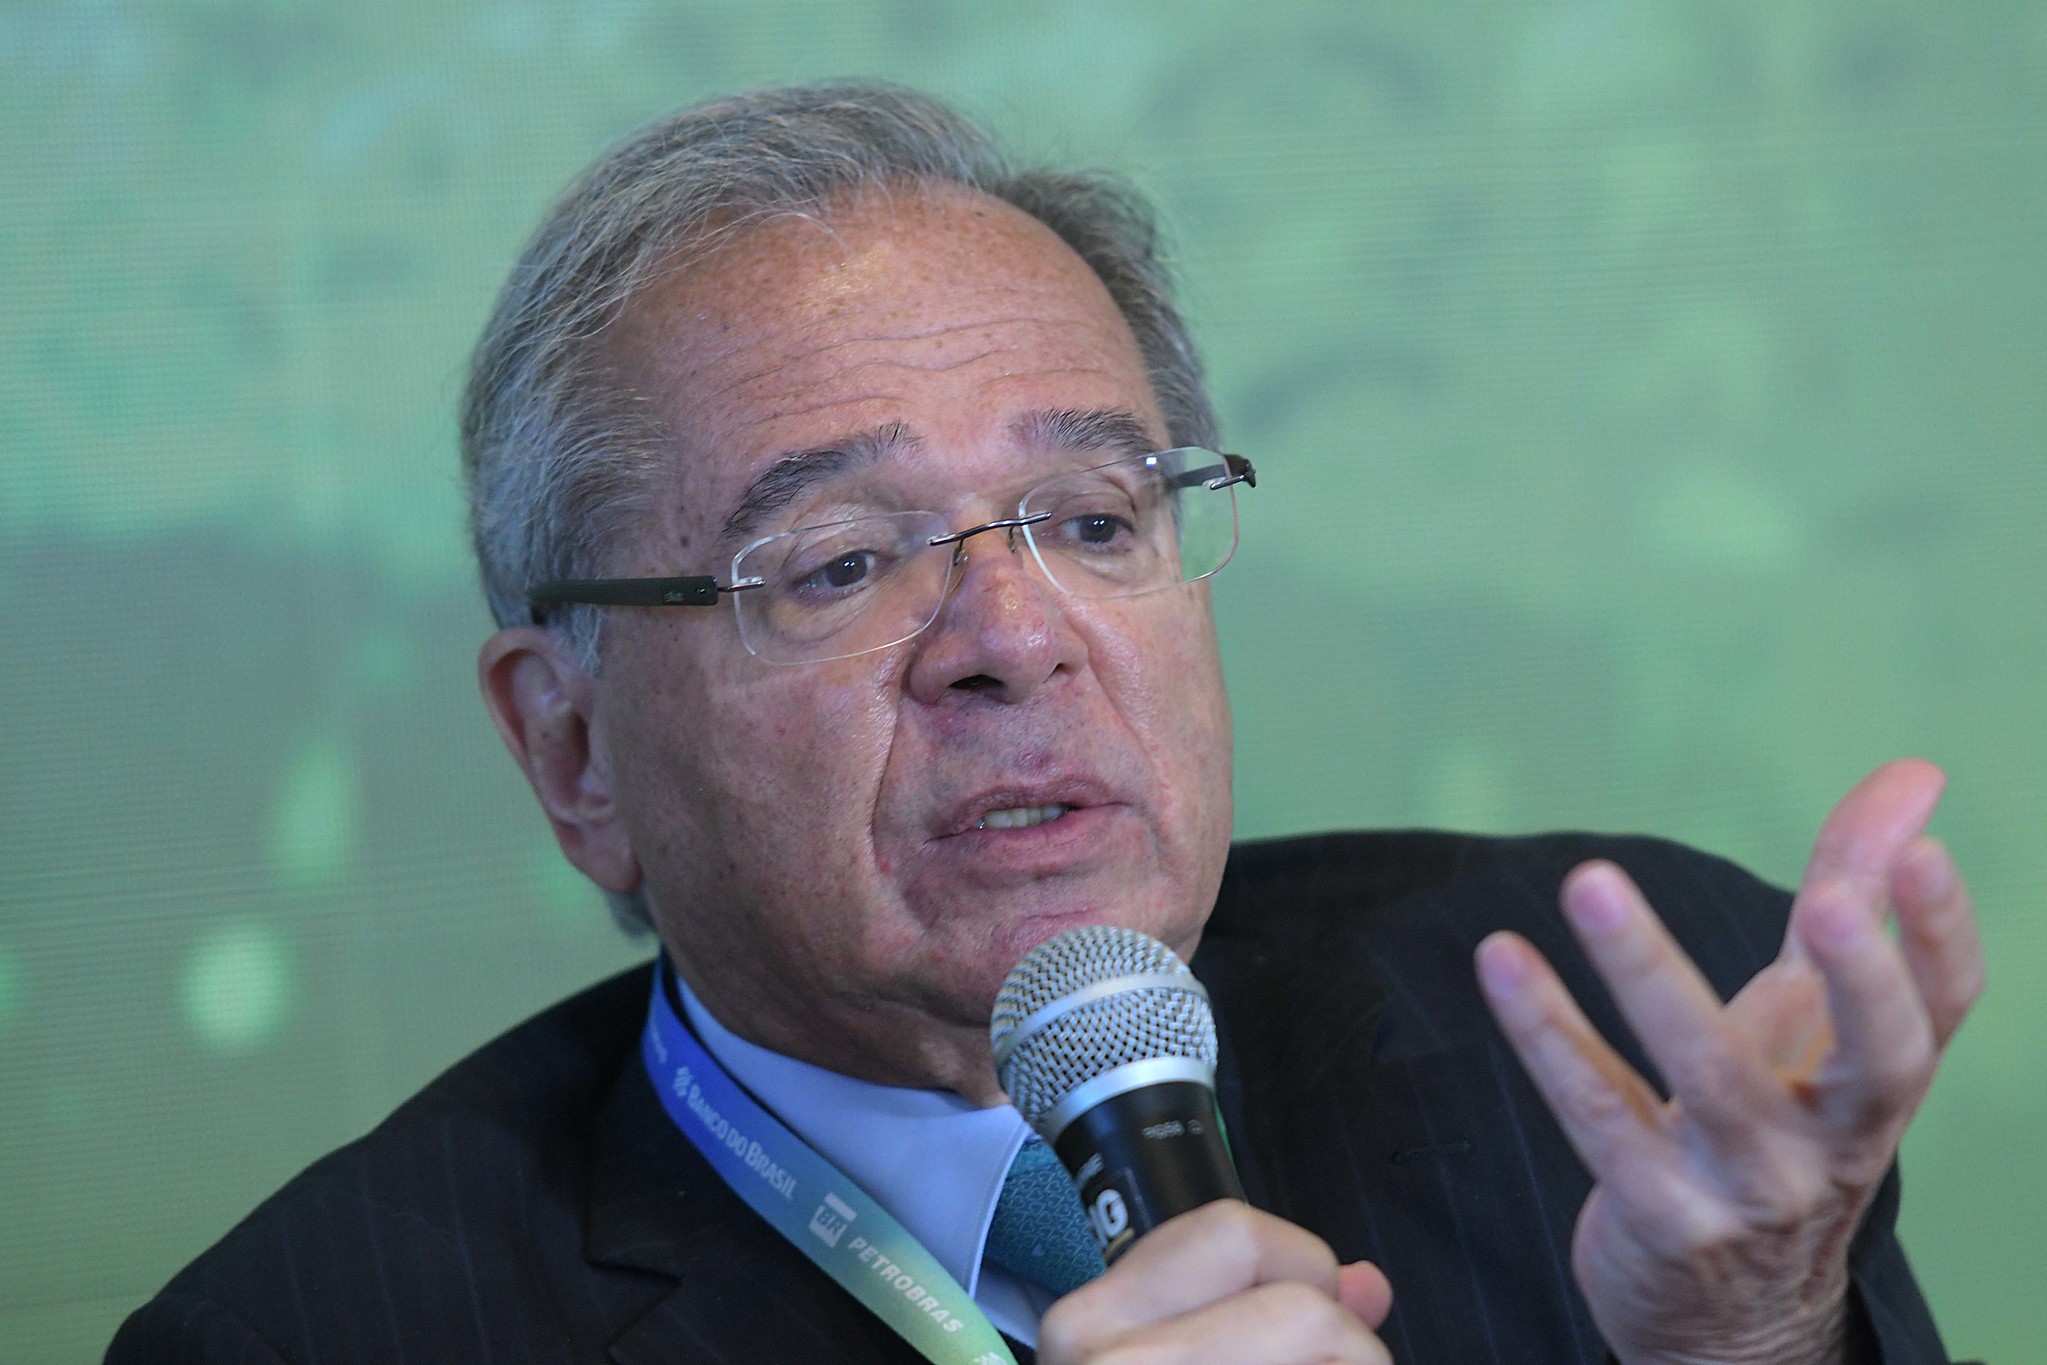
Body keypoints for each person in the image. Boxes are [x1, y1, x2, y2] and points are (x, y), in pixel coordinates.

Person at [109, 82, 1983, 1365]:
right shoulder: (314, 1333)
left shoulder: (1645, 1045)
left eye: (1093, 520)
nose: (1012, 639)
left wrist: (1745, 1336)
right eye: (840, 562)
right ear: (572, 749)